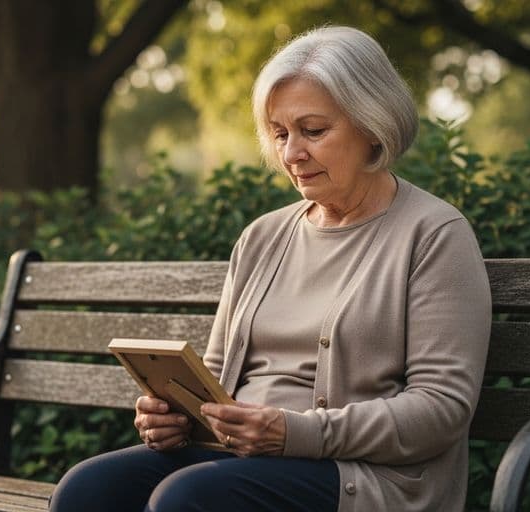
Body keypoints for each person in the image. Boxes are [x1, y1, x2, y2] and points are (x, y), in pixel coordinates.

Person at [49, 25, 491, 512]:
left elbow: (442, 409)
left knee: (187, 499)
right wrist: (178, 417)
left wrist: (294, 432)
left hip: (360, 476)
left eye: (314, 131)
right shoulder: (262, 237)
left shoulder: (434, 234)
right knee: (86, 491)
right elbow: (214, 377)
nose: (291, 154)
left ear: (374, 124)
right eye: (280, 134)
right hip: (239, 456)